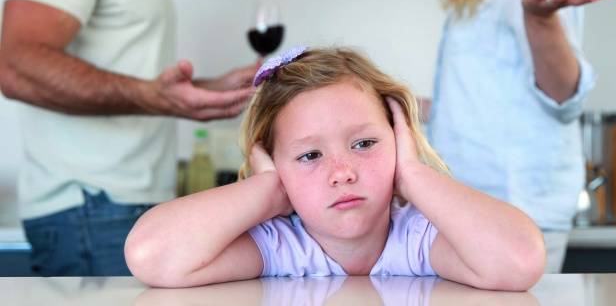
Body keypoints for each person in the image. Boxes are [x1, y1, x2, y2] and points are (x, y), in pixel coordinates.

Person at [125, 46, 546, 291]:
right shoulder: (278, 246)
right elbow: (151, 255)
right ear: (274, 164)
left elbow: (520, 259)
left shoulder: (418, 238)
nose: (342, 172)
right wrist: (270, 190)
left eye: (364, 144)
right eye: (310, 156)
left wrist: (413, 176)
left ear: (400, 143)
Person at [0, 0, 257, 276]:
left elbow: (134, 78)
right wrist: (154, 98)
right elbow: (16, 65)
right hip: (92, 210)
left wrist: (210, 88)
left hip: (124, 208)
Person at [426, 0, 612, 273]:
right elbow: (486, 97)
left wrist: (540, 21)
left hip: (515, 209)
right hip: (476, 206)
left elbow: (563, 96)